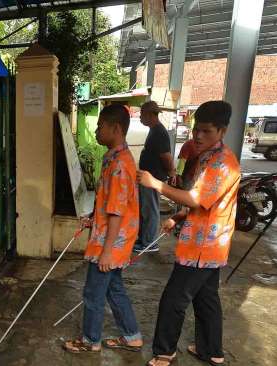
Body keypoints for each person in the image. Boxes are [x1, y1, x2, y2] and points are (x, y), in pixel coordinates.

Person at [138, 101, 239, 366]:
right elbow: (210, 202)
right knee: (206, 298)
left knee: (174, 299)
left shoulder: (222, 163)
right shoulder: (207, 156)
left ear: (222, 131)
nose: (198, 136)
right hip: (205, 241)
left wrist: (156, 184)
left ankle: (164, 352)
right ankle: (211, 350)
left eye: (206, 131)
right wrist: (178, 217)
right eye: (196, 129)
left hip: (204, 246)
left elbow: (196, 198)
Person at [63, 104, 142, 354]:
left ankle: (90, 340)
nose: (97, 131)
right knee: (114, 289)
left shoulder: (119, 165)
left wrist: (107, 252)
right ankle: (132, 336)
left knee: (93, 293)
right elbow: (109, 205)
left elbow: (117, 211)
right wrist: (92, 218)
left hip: (110, 243)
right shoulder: (114, 159)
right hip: (113, 238)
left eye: (100, 126)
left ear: (116, 129)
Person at [134, 101, 176, 253]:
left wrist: (171, 172)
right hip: (148, 178)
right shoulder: (154, 130)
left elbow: (166, 156)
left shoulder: (159, 132)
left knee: (150, 210)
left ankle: (150, 243)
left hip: (153, 179)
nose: (140, 118)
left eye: (142, 114)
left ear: (150, 114)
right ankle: (144, 239)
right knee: (146, 209)